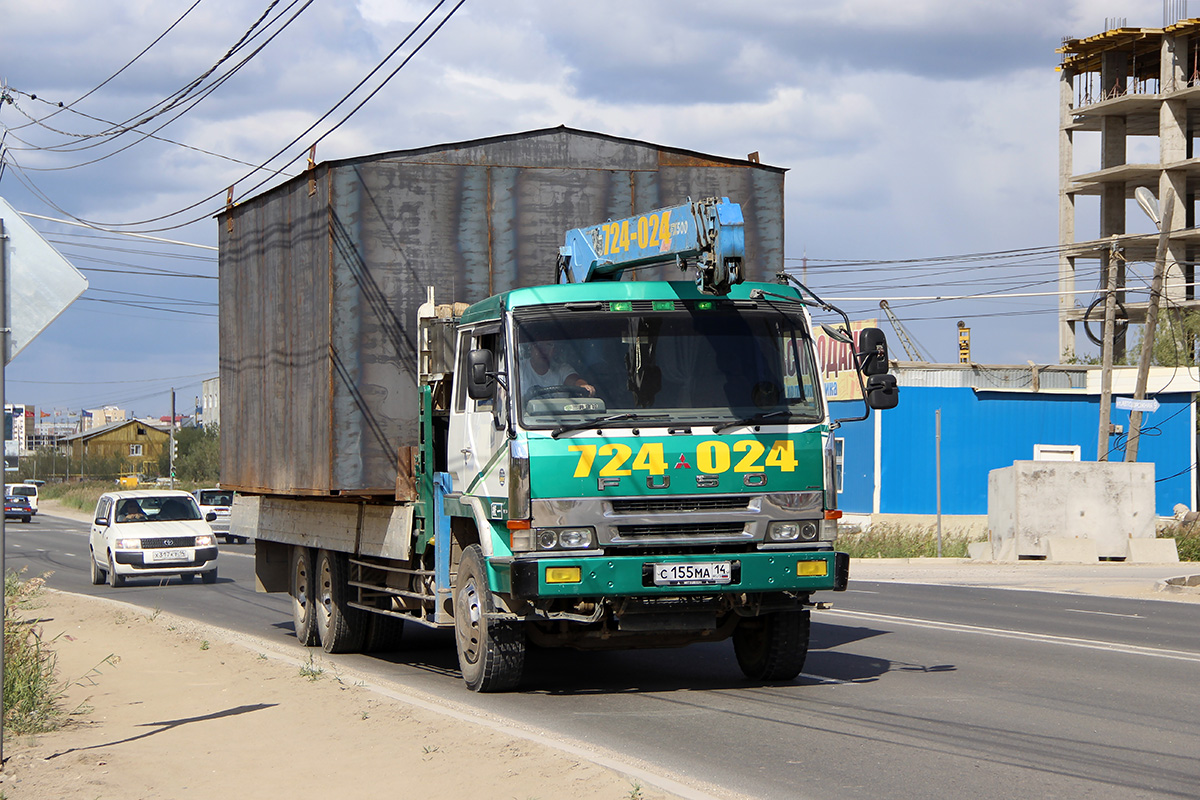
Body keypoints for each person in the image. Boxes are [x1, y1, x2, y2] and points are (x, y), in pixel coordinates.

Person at [520, 340, 596, 396]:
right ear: (530, 347)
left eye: (549, 345)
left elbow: (575, 381)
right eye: (539, 345)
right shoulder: (519, 368)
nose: (543, 350)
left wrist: (583, 386)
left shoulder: (562, 369)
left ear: (554, 350)